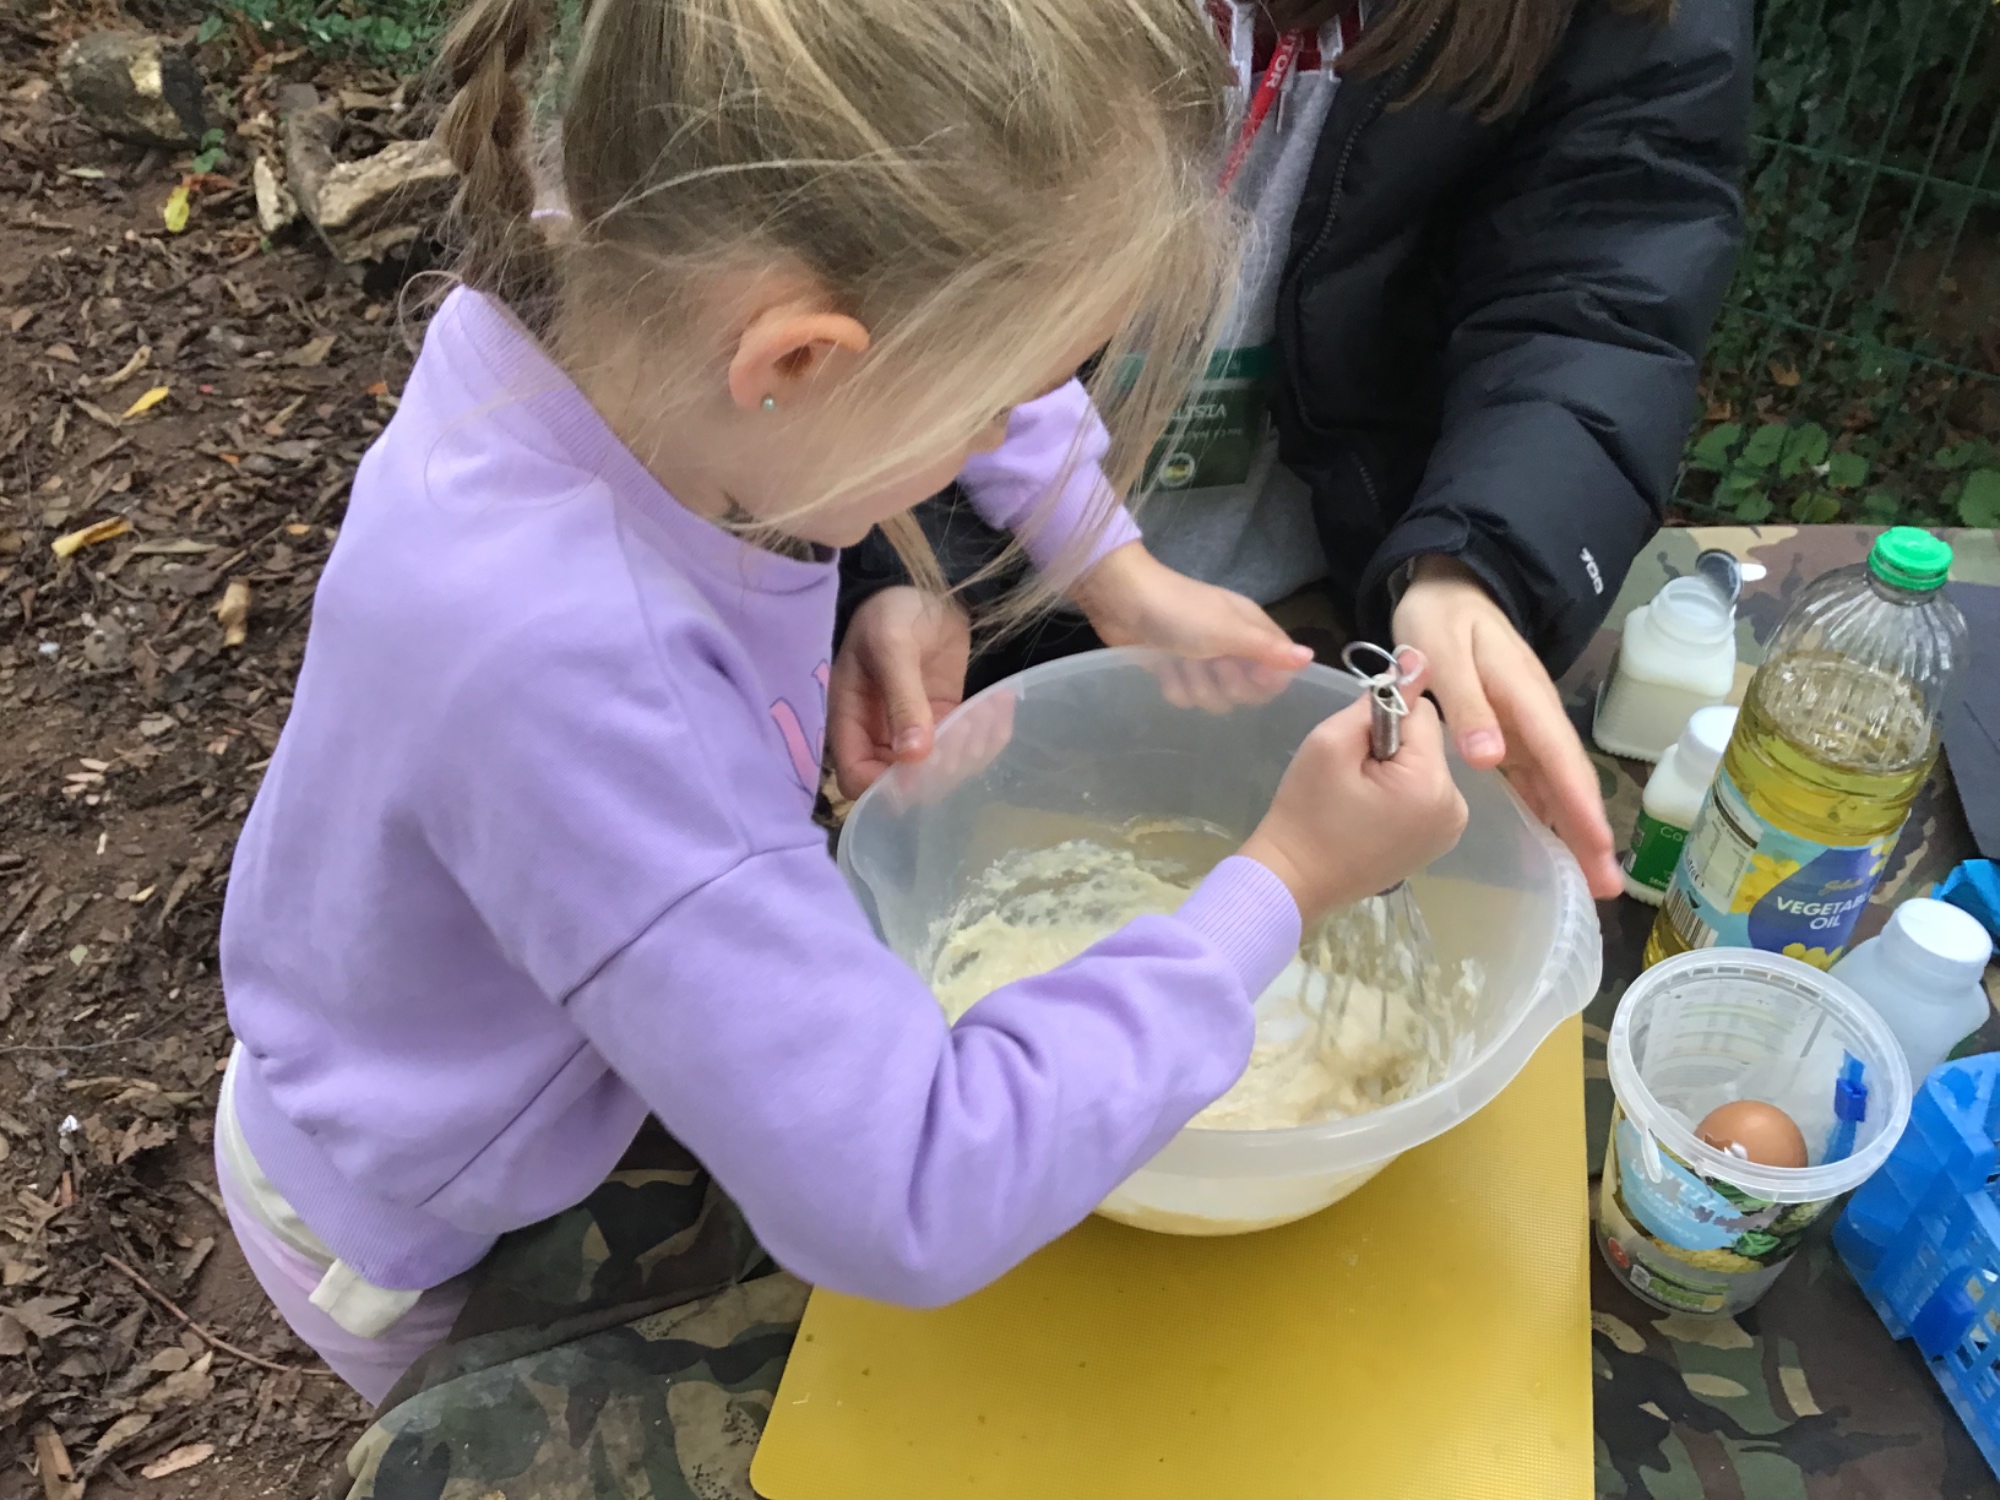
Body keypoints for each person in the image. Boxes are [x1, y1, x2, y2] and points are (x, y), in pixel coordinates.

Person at [211, 0, 1469, 1402]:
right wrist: (1283, 881)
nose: (998, 436)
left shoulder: (606, 286)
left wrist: (1101, 577)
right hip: (424, 1216)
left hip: (454, 1031)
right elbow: (906, 1187)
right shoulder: (579, 673)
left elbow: (922, 362)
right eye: (990, 410)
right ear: (798, 362)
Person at [831, 0, 1754, 900]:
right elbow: (892, 276)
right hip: (973, 603)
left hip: (1328, 597)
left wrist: (1481, 561)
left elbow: (1600, 290)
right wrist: (900, 553)